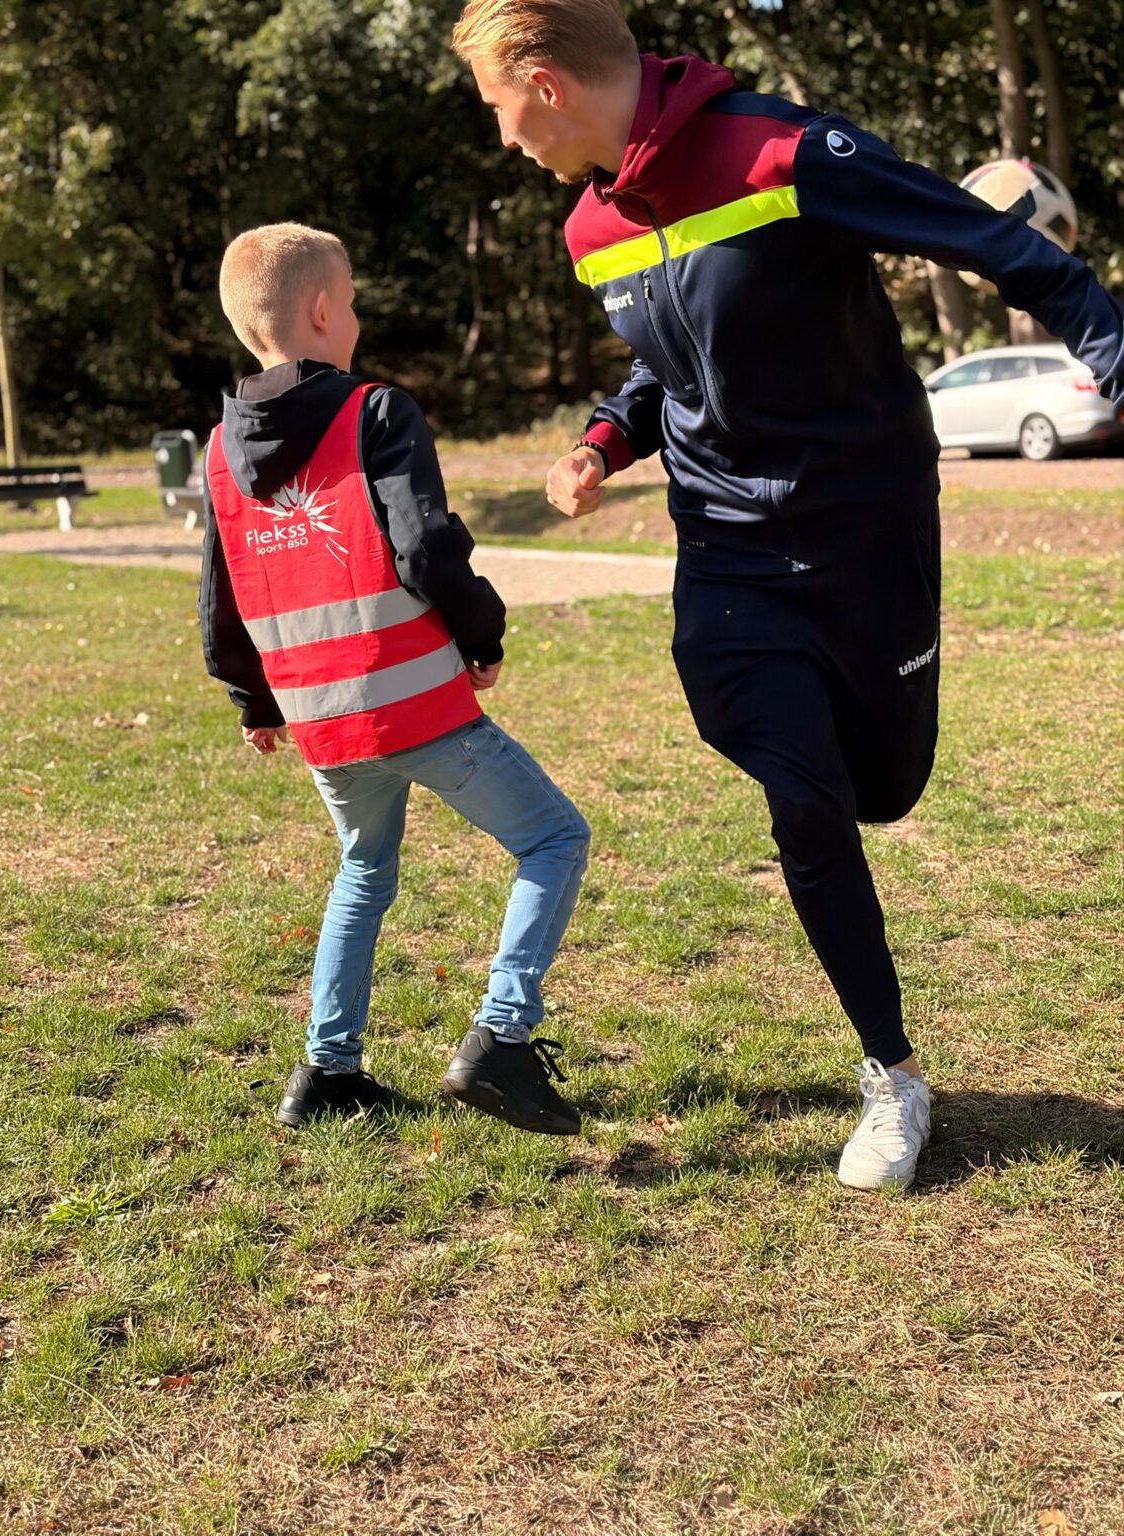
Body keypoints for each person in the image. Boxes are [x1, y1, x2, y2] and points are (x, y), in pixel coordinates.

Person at [452, 0, 1124, 1189]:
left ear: (545, 84)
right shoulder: (589, 228)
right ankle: (893, 1076)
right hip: (727, 550)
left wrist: (1112, 352)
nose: (504, 139)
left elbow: (1004, 248)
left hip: (865, 531)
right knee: (800, 799)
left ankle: (843, 779)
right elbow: (672, 367)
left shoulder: (778, 151)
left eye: (500, 111)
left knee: (886, 786)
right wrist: (604, 442)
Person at [200, 221, 590, 1136]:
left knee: (364, 869)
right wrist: (481, 631)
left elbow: (221, 597)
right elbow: (425, 544)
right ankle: (500, 1038)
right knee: (554, 841)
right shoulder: (374, 410)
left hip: (321, 722)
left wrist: (253, 698)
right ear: (325, 309)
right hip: (413, 702)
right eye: (355, 301)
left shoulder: (218, 452)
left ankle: (327, 1072)